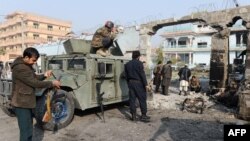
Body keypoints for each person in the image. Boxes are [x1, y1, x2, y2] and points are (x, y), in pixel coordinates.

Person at [11, 47, 61, 141]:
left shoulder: (26, 65)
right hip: (21, 104)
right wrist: (52, 83)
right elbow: (34, 83)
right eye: (33, 60)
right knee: (26, 132)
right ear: (26, 57)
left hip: (26, 102)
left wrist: (44, 75)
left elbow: (34, 78)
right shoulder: (20, 68)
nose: (34, 62)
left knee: (29, 129)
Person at [124, 51, 150, 122]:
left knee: (132, 100)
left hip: (131, 83)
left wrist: (129, 83)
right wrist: (146, 84)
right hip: (139, 83)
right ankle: (143, 115)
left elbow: (126, 76)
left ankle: (133, 116)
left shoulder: (127, 64)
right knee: (142, 99)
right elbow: (142, 74)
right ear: (138, 56)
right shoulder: (139, 63)